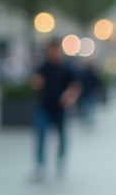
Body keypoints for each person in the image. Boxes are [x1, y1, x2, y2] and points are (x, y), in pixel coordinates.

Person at [31, 39, 81, 180]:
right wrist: (36, 82)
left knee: (62, 135)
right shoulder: (43, 67)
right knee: (40, 134)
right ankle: (40, 165)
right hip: (45, 106)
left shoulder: (67, 68)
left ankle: (61, 159)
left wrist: (69, 96)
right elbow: (35, 81)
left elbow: (76, 86)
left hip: (61, 108)